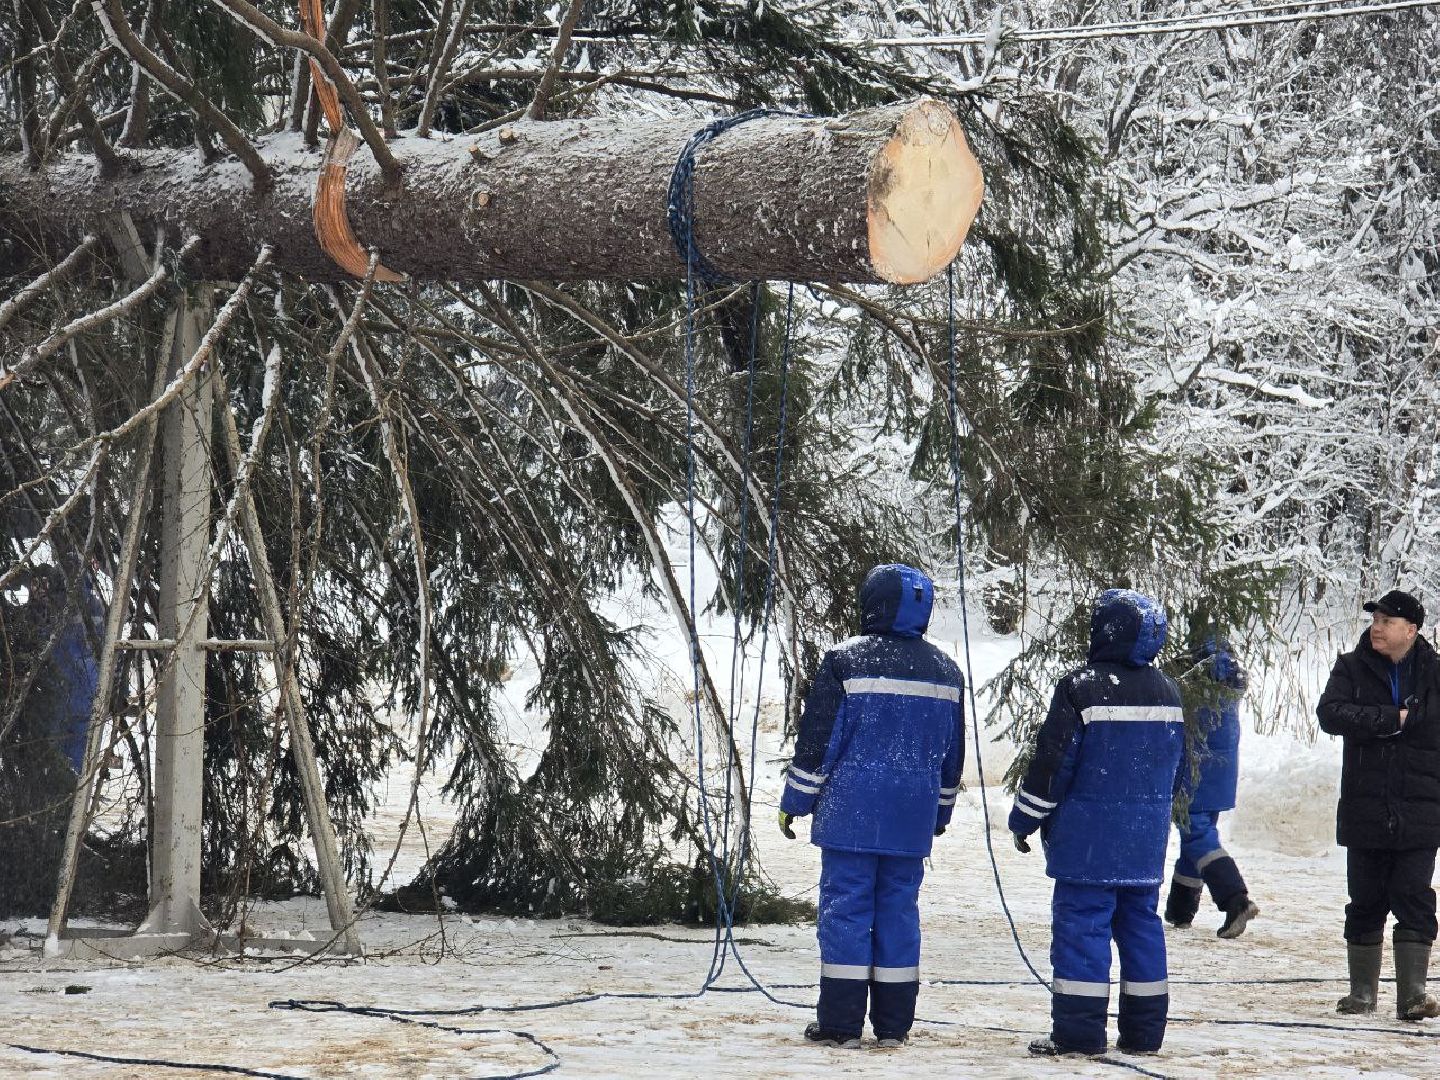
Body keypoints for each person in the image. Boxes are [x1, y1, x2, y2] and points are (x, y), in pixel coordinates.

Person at [778, 563, 964, 1049]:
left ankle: (840, 1023)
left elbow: (819, 740)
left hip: (851, 815)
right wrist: (941, 812)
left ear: (873, 604)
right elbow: (952, 756)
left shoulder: (846, 661)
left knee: (846, 911)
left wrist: (796, 799)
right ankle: (894, 1024)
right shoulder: (948, 672)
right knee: (899, 914)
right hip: (911, 818)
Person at [1009, 589, 1185, 1057]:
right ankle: (1144, 1035)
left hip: (1087, 844)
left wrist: (1025, 818)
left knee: (1082, 931)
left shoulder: (1080, 687)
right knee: (1141, 929)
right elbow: (1179, 772)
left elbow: (1053, 764)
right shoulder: (1168, 691)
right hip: (1144, 843)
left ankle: (1079, 1035)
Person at [1316, 589, 1440, 1021]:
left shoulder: (1434, 673)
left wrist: (1400, 723)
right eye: (1375, 620)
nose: (1377, 628)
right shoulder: (1351, 667)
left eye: (1387, 622)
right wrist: (1392, 719)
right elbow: (1331, 714)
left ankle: (1413, 995)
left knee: (1414, 895)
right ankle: (1361, 993)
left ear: (1412, 630)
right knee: (1365, 898)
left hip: (1422, 806)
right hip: (1364, 804)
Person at [1164, 636, 1260, 938]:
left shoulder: (1194, 683)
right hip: (1220, 778)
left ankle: (1235, 899)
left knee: (1197, 837)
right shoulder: (1229, 681)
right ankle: (1180, 910)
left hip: (1194, 775)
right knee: (1197, 838)